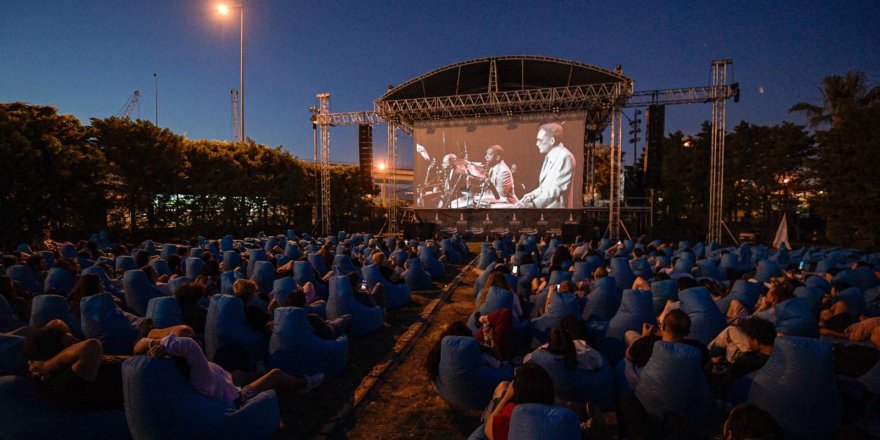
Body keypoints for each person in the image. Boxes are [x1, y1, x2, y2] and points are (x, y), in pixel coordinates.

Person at [136, 333, 322, 408]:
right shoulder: (197, 371)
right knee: (276, 374)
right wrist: (166, 344)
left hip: (226, 384)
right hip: (235, 400)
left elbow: (140, 344)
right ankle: (305, 383)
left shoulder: (189, 371)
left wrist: (154, 344)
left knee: (237, 375)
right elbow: (188, 343)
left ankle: (258, 373)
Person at [483, 363, 555, 440]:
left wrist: (506, 397)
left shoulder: (511, 412)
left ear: (517, 391)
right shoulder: (561, 416)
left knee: (502, 387)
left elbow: (487, 427)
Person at [515, 123, 576, 208]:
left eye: (540, 140)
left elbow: (557, 188)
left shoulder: (565, 156)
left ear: (552, 141)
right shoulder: (551, 155)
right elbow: (545, 187)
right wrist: (532, 195)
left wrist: (534, 204)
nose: (537, 144)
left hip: (558, 214)